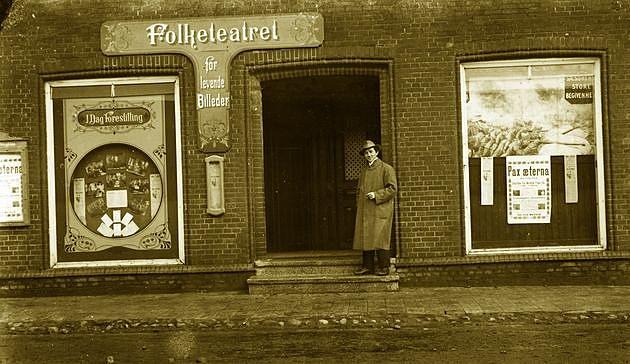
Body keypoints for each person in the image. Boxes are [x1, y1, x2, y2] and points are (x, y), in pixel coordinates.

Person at [353, 140, 397, 276]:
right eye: (366, 153)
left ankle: (384, 267)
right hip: (366, 209)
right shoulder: (364, 171)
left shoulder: (386, 168)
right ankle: (368, 266)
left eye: (371, 152)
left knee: (380, 237)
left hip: (380, 209)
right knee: (366, 236)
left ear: (377, 152)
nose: (368, 155)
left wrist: (376, 194)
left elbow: (392, 189)